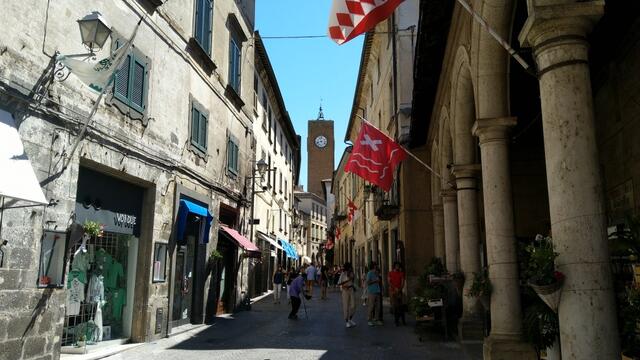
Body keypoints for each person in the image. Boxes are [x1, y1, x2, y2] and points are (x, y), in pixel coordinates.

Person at [337, 262, 357, 328]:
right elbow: (339, 283)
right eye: (349, 267)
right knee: (346, 306)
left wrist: (352, 280)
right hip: (345, 290)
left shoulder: (351, 273)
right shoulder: (343, 274)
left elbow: (353, 281)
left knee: (353, 305)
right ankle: (347, 321)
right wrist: (347, 281)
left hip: (351, 289)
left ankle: (350, 319)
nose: (350, 268)